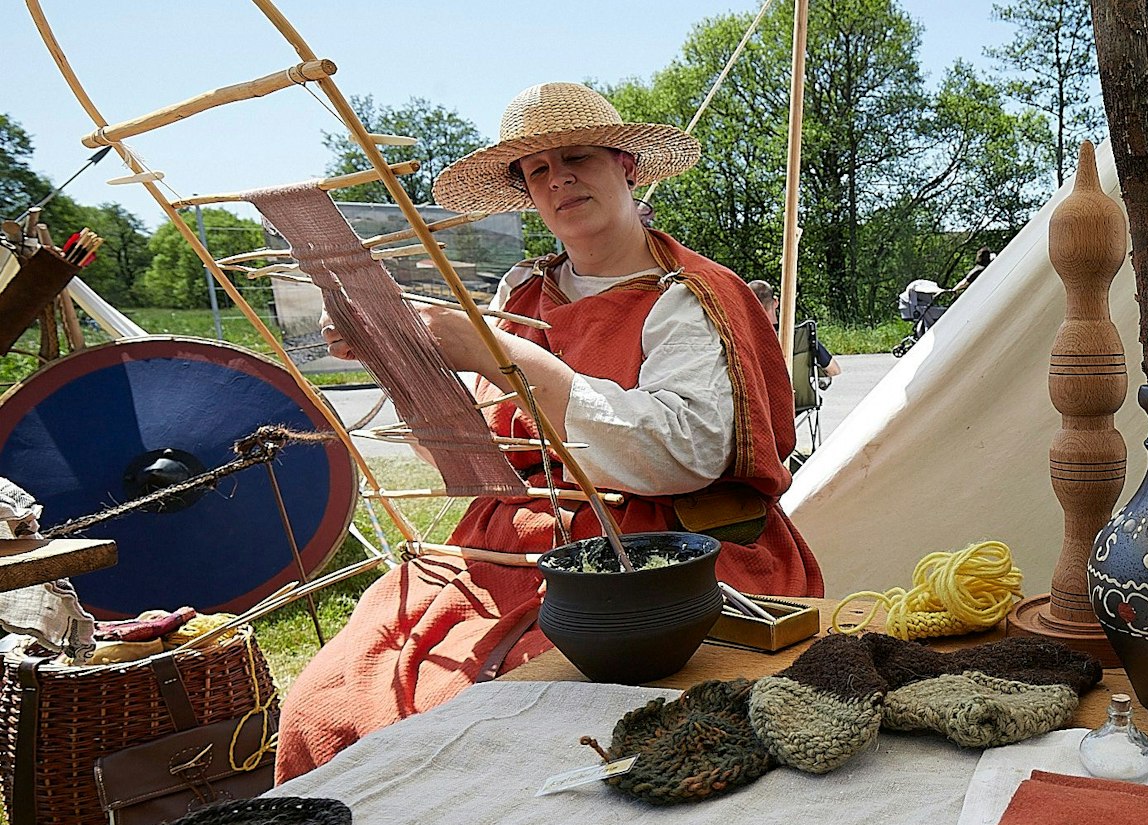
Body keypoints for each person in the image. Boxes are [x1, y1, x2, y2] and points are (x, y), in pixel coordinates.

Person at [279, 82, 821, 781]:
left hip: (659, 549)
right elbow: (481, 447)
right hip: (511, 546)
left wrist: (511, 359)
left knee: (493, 727)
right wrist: (393, 357)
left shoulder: (689, 295)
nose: (558, 178)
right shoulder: (521, 292)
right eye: (538, 171)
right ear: (528, 194)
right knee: (327, 703)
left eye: (577, 158)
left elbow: (684, 455)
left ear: (626, 165)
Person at [749, 279, 839, 378]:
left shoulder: (746, 339)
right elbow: (834, 370)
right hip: (800, 393)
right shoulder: (801, 335)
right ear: (776, 302)